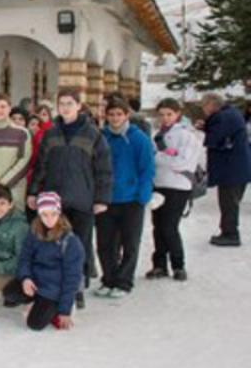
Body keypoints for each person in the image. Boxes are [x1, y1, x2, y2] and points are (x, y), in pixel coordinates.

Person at [27, 88, 112, 307]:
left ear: (78, 105)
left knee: (79, 245)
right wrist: (34, 192)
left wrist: (101, 198)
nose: (65, 107)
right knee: (55, 243)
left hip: (82, 199)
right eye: (61, 103)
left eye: (69, 103)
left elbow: (103, 168)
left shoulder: (93, 134)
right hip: (55, 202)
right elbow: (41, 166)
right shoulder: (51, 133)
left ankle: (77, 289)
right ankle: (54, 286)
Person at [95, 98, 155, 298]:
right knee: (105, 243)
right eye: (111, 114)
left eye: (119, 114)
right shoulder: (101, 137)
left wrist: (142, 196)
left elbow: (147, 169)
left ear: (126, 115)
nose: (114, 118)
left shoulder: (139, 139)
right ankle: (109, 278)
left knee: (130, 242)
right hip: (106, 198)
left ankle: (124, 281)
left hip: (131, 199)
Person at [4, 192, 85, 331]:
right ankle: (37, 303)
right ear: (39, 215)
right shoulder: (35, 231)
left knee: (34, 324)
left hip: (54, 288)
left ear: (59, 213)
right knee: (10, 293)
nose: (49, 219)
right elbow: (25, 257)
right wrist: (26, 278)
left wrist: (64, 311)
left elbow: (72, 278)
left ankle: (59, 307)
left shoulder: (70, 242)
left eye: (53, 214)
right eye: (44, 215)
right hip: (36, 281)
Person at [148, 98, 201, 281]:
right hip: (159, 184)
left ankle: (178, 265)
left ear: (178, 114)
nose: (165, 118)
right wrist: (164, 157)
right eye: (161, 114)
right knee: (158, 227)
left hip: (178, 186)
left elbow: (181, 162)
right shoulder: (156, 135)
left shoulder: (186, 136)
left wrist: (160, 157)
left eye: (169, 114)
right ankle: (159, 265)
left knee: (169, 227)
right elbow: (152, 158)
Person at [201, 93, 251, 246]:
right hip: (239, 167)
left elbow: (213, 139)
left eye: (204, 106)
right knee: (231, 202)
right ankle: (228, 231)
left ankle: (230, 234)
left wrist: (206, 128)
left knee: (228, 203)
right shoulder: (232, 113)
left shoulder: (221, 117)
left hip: (231, 169)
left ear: (211, 105)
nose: (204, 110)